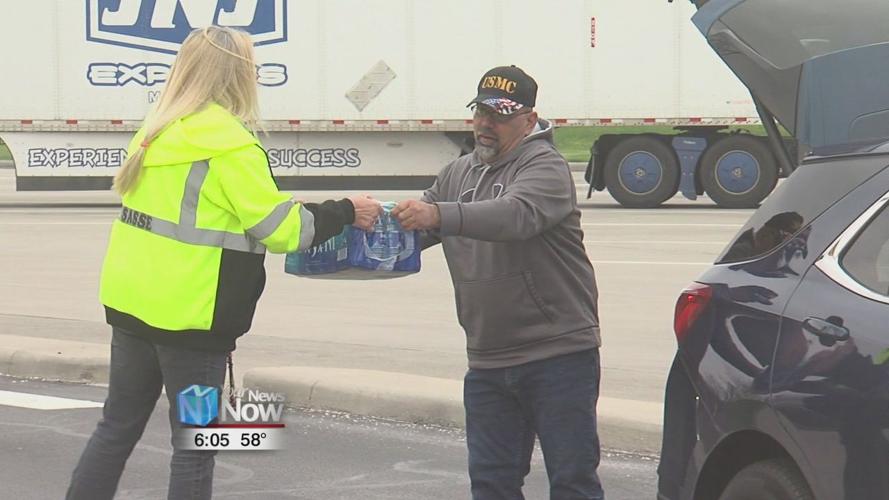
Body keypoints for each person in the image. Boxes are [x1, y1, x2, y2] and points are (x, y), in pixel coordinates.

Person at [65, 26, 380, 500]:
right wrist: (346, 211)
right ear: (239, 75)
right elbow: (283, 231)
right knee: (194, 444)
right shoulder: (230, 146)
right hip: (193, 324)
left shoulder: (157, 131)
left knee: (116, 428)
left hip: (132, 309)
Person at [392, 65, 604, 500]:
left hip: (558, 355)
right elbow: (414, 228)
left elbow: (516, 215)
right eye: (480, 113)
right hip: (488, 361)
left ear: (529, 120)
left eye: (500, 116)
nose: (486, 125)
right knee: (491, 484)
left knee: (572, 482)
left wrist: (440, 215)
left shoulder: (546, 167)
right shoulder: (457, 174)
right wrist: (346, 221)